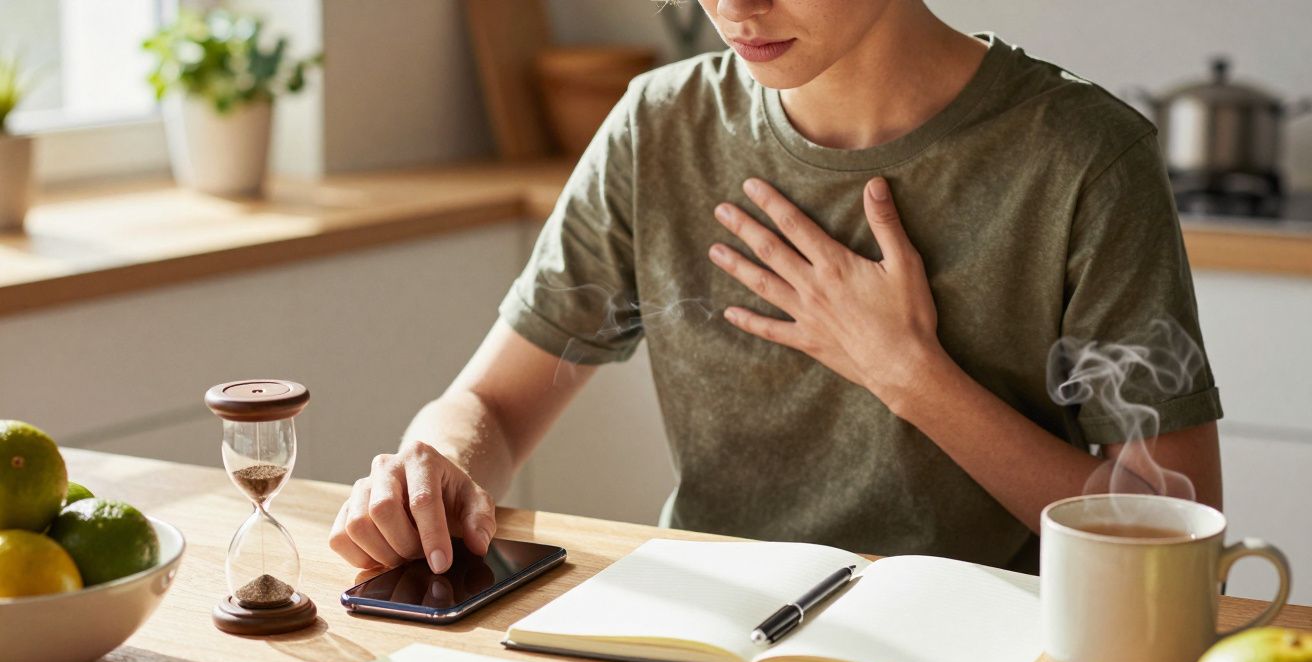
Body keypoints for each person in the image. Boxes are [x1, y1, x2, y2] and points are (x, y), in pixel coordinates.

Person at [329, 0, 1223, 576]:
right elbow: (493, 402)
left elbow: (1171, 543)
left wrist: (911, 376)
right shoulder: (659, 125)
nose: (733, 7)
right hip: (711, 644)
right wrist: (435, 466)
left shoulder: (1085, 158)